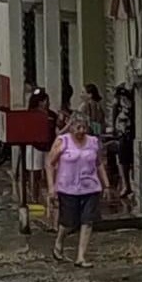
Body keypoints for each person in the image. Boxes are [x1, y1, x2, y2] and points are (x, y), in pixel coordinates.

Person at [46, 111, 111, 268]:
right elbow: (50, 164)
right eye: (78, 127)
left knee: (87, 221)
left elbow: (99, 163)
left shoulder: (93, 142)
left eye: (84, 127)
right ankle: (59, 242)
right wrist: (51, 187)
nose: (81, 131)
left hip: (90, 187)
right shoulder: (63, 141)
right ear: (71, 127)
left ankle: (81, 256)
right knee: (69, 223)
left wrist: (106, 184)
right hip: (67, 188)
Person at [25, 87, 55, 203]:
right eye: (45, 101)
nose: (47, 103)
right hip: (34, 147)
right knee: (34, 173)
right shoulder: (31, 115)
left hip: (49, 147)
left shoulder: (52, 115)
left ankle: (49, 197)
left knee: (48, 172)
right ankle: (34, 198)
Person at [112, 84, 135, 198]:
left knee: (127, 161)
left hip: (129, 135)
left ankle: (129, 185)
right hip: (122, 135)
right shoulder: (119, 107)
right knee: (122, 160)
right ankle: (127, 185)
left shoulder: (130, 106)